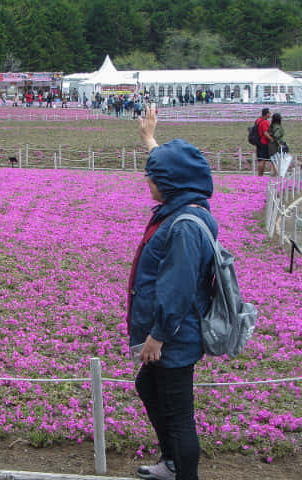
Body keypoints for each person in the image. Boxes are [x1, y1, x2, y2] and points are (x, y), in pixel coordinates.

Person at [128, 105, 217, 480]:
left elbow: (177, 289)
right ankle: (172, 463)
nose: (147, 183)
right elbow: (174, 168)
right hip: (173, 334)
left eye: (152, 178)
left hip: (174, 336)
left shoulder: (183, 227)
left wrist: (157, 336)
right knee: (149, 386)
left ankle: (183, 472)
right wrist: (150, 140)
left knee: (179, 414)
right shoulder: (186, 200)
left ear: (170, 183)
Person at [255, 108, 273, 176]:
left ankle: (259, 175)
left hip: (258, 142)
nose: (270, 114)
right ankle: (260, 175)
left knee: (260, 159)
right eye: (269, 113)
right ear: (267, 114)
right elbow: (265, 133)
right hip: (264, 143)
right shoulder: (265, 122)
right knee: (263, 160)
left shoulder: (258, 120)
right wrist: (271, 139)